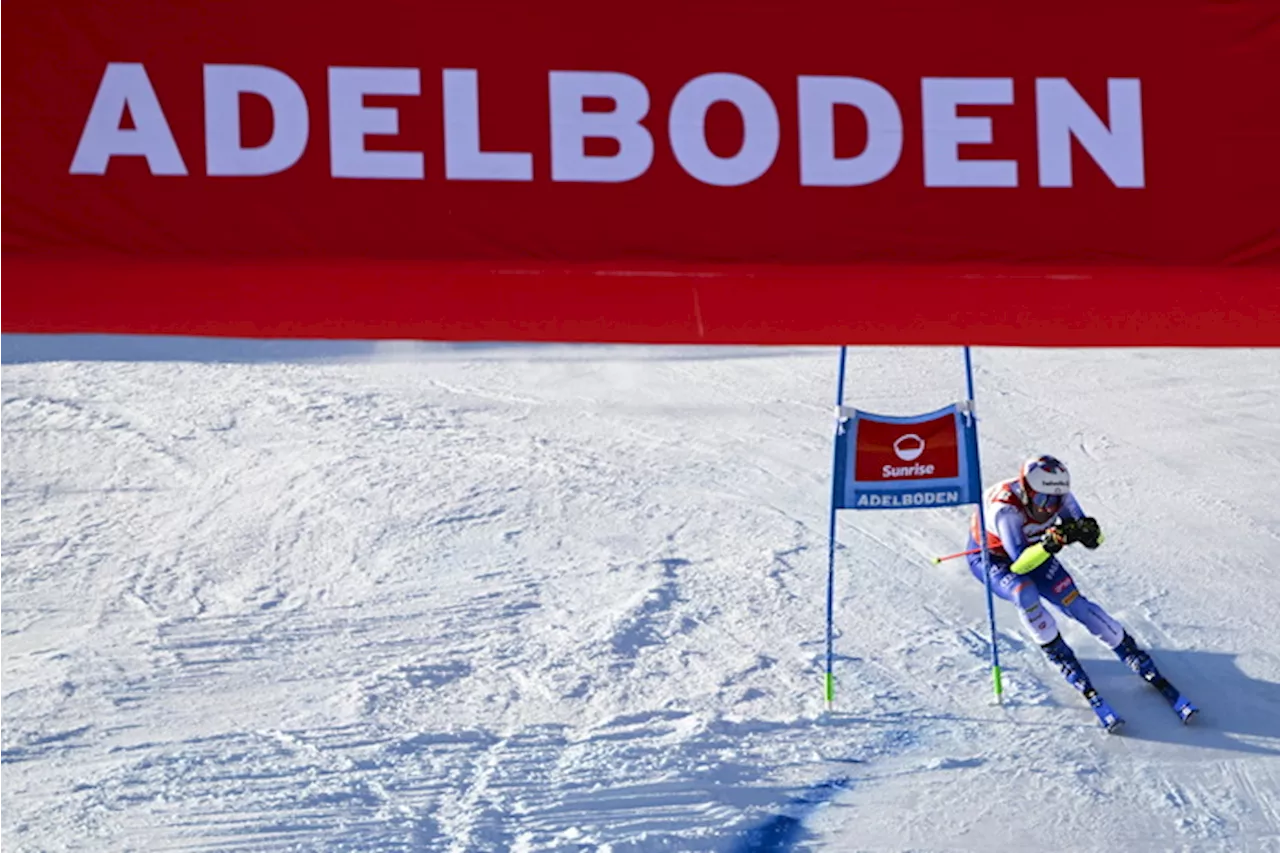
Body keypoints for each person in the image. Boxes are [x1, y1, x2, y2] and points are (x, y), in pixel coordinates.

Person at [964, 454, 1195, 726]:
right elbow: (1020, 563)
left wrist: (1088, 532)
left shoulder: (1060, 495)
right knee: (1025, 592)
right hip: (996, 560)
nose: (1050, 508)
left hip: (1036, 550)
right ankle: (1061, 658)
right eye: (1042, 500)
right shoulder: (1007, 510)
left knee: (1076, 603)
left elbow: (1094, 539)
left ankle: (1131, 653)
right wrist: (1051, 544)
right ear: (1027, 492)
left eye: (1056, 501)